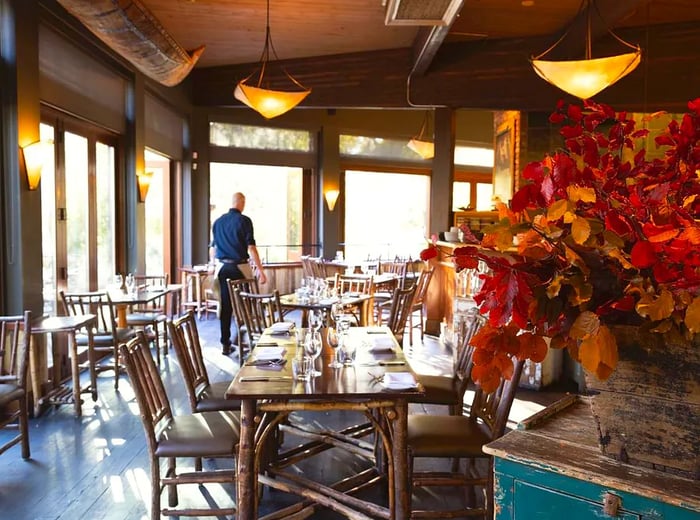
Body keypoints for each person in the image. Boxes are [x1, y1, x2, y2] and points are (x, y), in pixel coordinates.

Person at [210, 192, 267, 355]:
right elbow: (251, 248)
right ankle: (250, 338)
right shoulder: (244, 221)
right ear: (241, 202)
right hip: (240, 269)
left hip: (222, 269)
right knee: (248, 305)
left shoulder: (218, 222)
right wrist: (261, 271)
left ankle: (226, 343)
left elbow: (212, 250)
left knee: (225, 307)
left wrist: (212, 265)